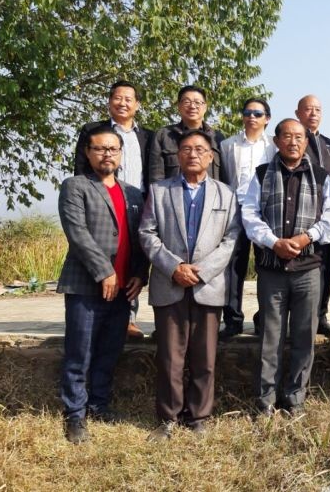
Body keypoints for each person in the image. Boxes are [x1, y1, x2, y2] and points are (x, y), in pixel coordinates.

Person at [139, 130, 239, 441]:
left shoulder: (226, 194)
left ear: (211, 156)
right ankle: (168, 418)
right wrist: (173, 267)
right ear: (178, 156)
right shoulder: (159, 191)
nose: (193, 154)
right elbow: (147, 234)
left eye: (200, 149)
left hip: (207, 285)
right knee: (170, 356)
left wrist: (201, 271)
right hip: (170, 283)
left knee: (204, 357)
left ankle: (198, 417)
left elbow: (231, 238)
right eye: (186, 149)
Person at [242, 118, 330, 416]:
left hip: (308, 270)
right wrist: (273, 242)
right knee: (270, 338)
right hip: (271, 270)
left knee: (303, 337)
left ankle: (295, 397)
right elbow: (249, 213)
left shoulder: (322, 176)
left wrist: (305, 237)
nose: (293, 142)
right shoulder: (261, 175)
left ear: (306, 143)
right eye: (287, 136)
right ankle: (266, 401)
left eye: (299, 137)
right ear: (276, 141)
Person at [58, 125, 148, 443]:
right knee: (79, 352)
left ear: (121, 154)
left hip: (124, 289)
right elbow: (77, 234)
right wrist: (104, 271)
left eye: (113, 149)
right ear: (88, 152)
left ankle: (98, 404)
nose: (107, 154)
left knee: (110, 351)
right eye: (100, 148)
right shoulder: (75, 186)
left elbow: (141, 238)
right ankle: (75, 415)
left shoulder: (134, 193)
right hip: (86, 285)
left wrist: (140, 273)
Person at [73, 80, 152, 339]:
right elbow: (81, 169)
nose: (123, 103)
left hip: (137, 200)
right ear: (109, 101)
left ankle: (128, 317)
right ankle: (95, 312)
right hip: (103, 198)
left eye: (129, 99)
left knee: (133, 255)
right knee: (104, 252)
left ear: (137, 105)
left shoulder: (148, 136)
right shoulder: (93, 131)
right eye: (117, 98)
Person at [218, 98, 276, 340]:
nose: (252, 117)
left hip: (265, 212)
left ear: (267, 118)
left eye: (258, 113)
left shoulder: (273, 146)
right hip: (236, 210)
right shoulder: (228, 145)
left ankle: (264, 318)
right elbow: (224, 178)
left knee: (266, 266)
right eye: (248, 112)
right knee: (234, 267)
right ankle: (233, 319)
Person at [295, 95, 330, 337]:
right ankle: (299, 316)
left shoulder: (328, 143)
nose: (313, 114)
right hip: (301, 212)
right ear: (298, 113)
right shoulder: (294, 140)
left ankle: (321, 315)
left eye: (317, 109)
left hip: (328, 211)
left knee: (325, 265)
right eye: (308, 109)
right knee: (303, 265)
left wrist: (327, 185)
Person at [148, 85, 225, 183]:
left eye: (197, 102)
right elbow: (156, 176)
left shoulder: (217, 138)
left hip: (210, 196)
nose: (192, 106)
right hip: (173, 195)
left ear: (205, 107)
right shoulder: (164, 135)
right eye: (187, 102)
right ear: (179, 106)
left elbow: (224, 177)